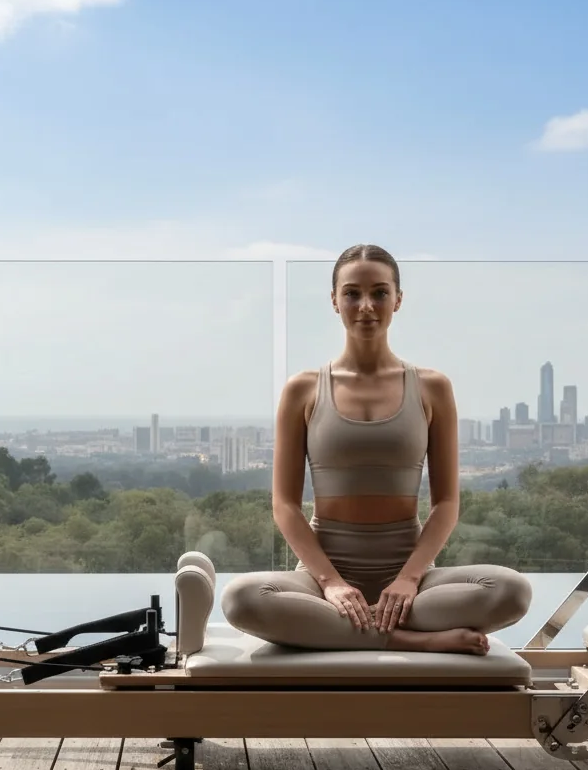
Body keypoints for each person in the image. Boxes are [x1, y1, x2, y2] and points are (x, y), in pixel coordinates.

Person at [220, 244, 532, 655]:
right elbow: (285, 506)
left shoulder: (432, 387)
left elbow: (446, 504)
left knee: (511, 591)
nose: (366, 305)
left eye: (380, 293)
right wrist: (331, 583)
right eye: (352, 293)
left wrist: (408, 578)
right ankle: (405, 638)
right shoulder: (303, 389)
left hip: (410, 579)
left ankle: (346, 630)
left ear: (397, 300)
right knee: (241, 598)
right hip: (320, 579)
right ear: (334, 301)